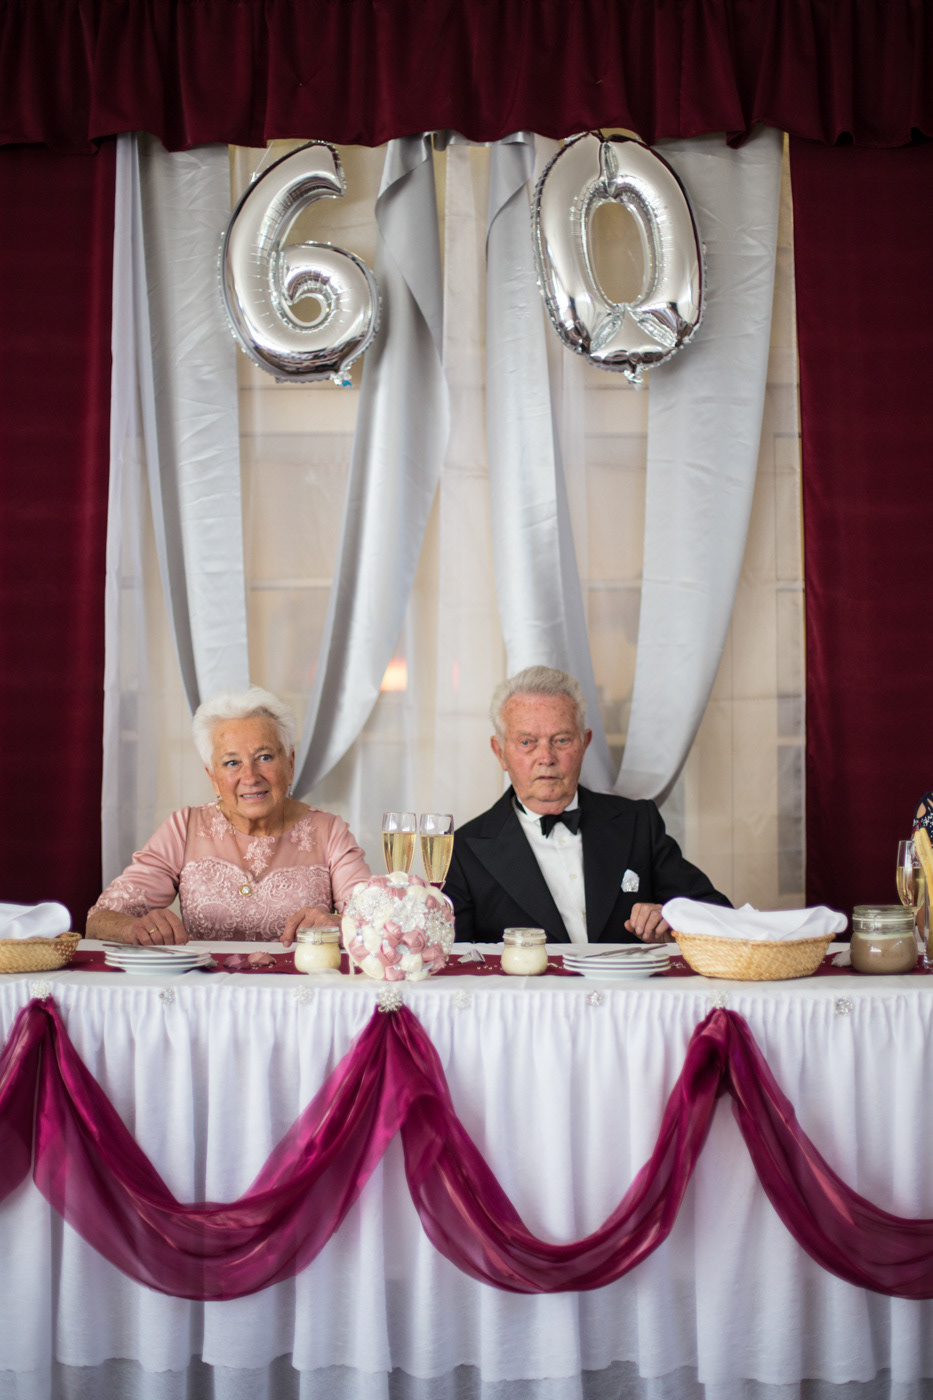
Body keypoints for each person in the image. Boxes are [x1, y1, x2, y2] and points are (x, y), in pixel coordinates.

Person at [445, 666, 731, 944]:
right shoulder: (463, 850)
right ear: (500, 753)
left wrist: (671, 917)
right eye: (527, 742)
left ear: (584, 743)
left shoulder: (637, 823)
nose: (546, 757)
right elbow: (451, 958)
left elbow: (720, 915)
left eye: (561, 740)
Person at [87, 686, 371, 946]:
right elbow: (99, 920)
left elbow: (378, 924)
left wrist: (338, 924)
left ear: (290, 764)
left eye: (265, 757)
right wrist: (135, 928)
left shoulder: (330, 831)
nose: (250, 776)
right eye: (232, 762)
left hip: (302, 985)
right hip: (203, 985)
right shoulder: (184, 828)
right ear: (213, 777)